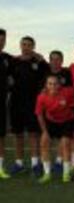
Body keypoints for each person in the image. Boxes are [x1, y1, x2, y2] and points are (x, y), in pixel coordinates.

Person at [9, 36, 50, 176]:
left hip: (33, 103)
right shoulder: (13, 61)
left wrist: (42, 59)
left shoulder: (38, 62)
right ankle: (19, 164)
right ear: (20, 46)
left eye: (29, 45)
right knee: (18, 134)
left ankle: (35, 164)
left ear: (33, 47)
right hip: (15, 103)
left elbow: (50, 73)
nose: (26, 47)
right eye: (23, 44)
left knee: (33, 134)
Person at [35, 75, 74, 183]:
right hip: (51, 122)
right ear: (46, 85)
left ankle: (66, 173)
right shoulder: (41, 97)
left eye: (55, 83)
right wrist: (44, 131)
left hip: (67, 121)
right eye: (50, 83)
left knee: (66, 144)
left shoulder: (67, 92)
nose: (53, 86)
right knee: (44, 143)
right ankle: (47, 174)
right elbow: (39, 115)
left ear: (59, 84)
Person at [0, 28, 12, 179]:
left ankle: (0, 168)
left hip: (1, 103)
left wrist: (37, 56)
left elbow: (24, 58)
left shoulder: (7, 58)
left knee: (0, 136)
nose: (0, 42)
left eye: (3, 40)